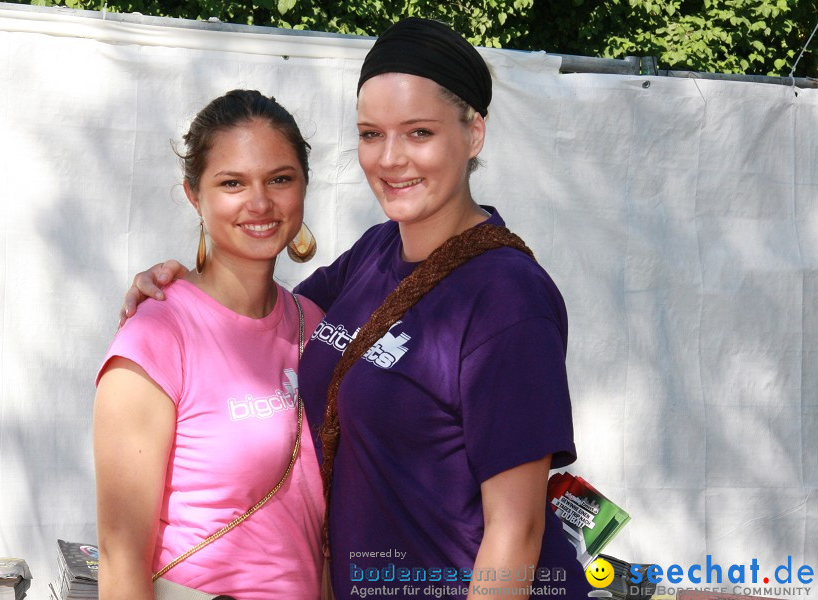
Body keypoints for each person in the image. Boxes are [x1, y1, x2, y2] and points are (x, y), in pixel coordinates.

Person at [119, 19, 591, 600]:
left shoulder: (507, 297)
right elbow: (259, 316)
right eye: (371, 134)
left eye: (419, 132)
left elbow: (517, 531)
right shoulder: (376, 254)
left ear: (473, 134)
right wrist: (181, 288)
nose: (391, 159)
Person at [94, 90, 326, 600]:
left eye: (280, 179)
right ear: (194, 195)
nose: (260, 202)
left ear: (304, 187)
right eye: (232, 183)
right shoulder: (157, 335)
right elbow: (119, 557)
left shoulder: (317, 325)